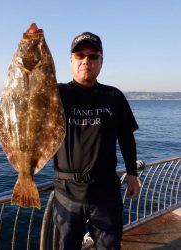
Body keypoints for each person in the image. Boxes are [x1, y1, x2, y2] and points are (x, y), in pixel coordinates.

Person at [53, 32, 140, 250]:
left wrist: (132, 173)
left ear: (101, 61)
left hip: (106, 192)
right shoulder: (56, 94)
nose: (86, 61)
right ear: (70, 61)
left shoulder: (114, 96)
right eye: (80, 55)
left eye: (93, 56)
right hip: (67, 192)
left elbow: (126, 137)